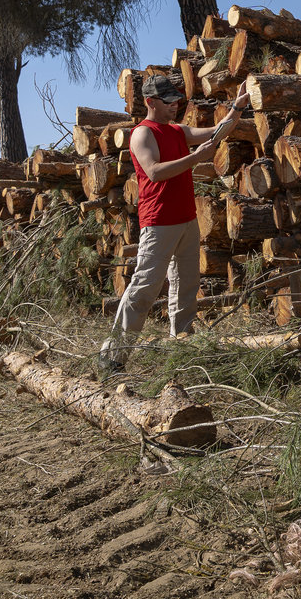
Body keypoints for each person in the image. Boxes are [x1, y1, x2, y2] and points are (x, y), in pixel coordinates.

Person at [98, 73, 249, 377]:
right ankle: (112, 357)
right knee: (144, 289)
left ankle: (182, 348)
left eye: (176, 100)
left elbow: (215, 134)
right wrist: (195, 159)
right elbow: (153, 172)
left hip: (186, 220)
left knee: (186, 287)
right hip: (158, 223)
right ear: (150, 102)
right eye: (168, 102)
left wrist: (237, 108)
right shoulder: (142, 134)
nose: (174, 106)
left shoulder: (177, 130)